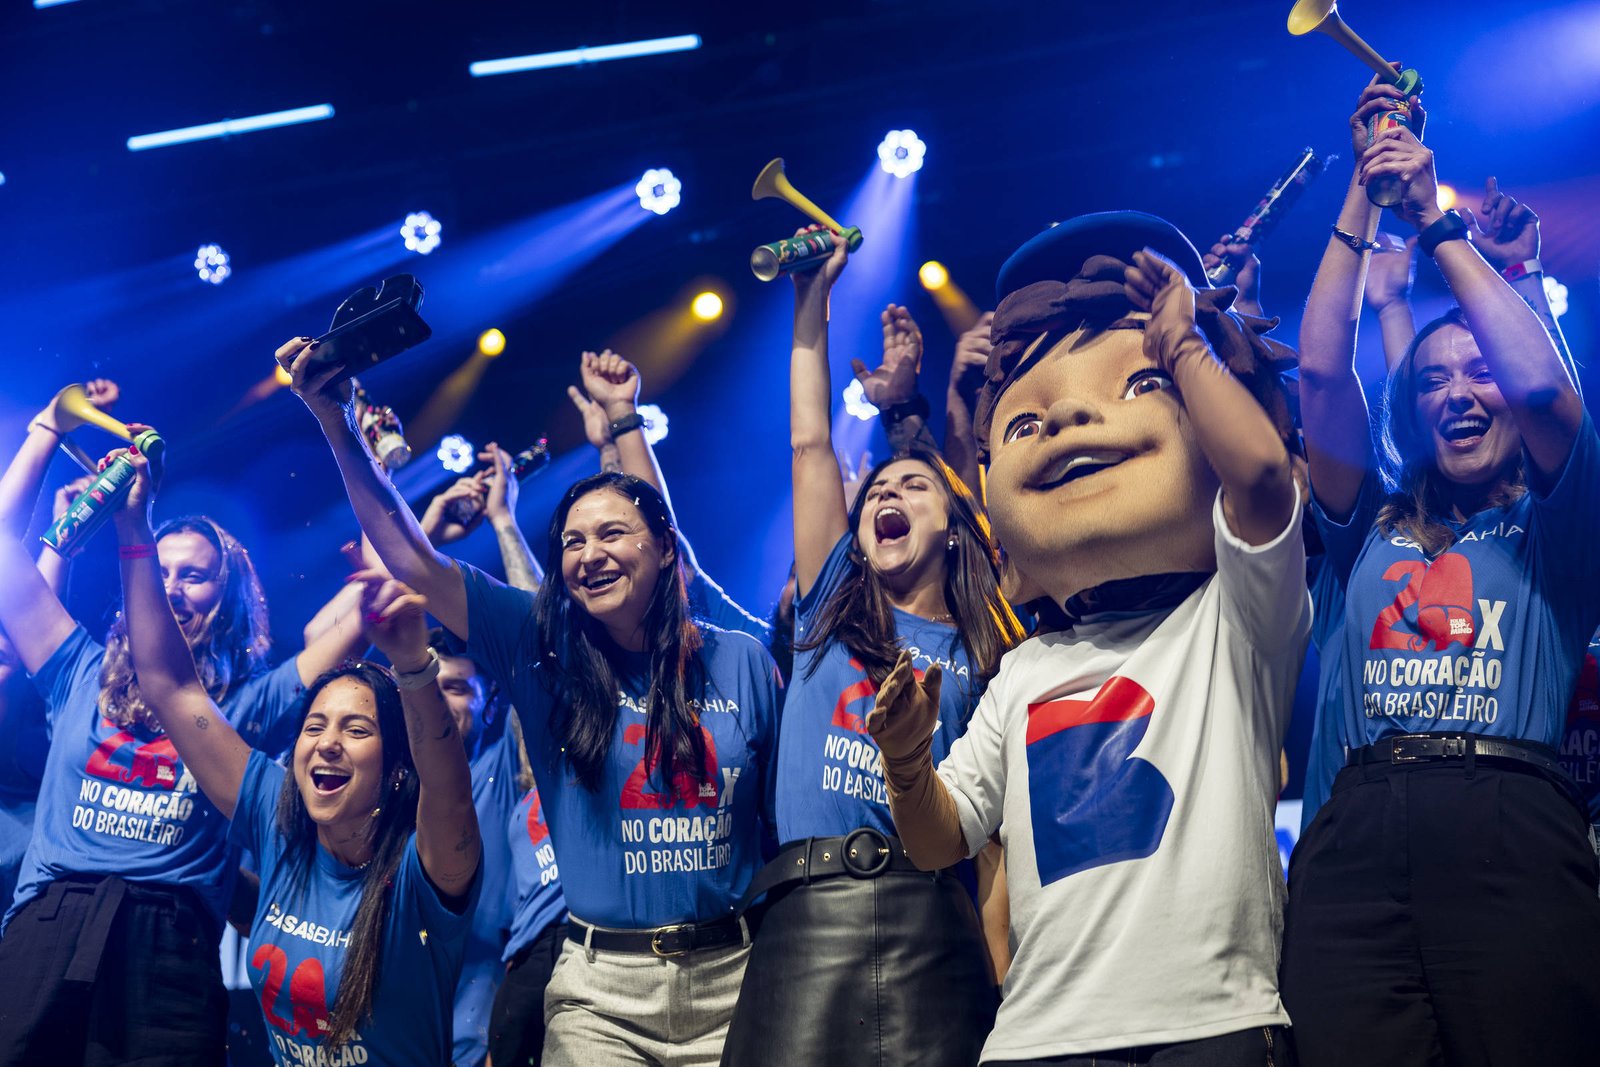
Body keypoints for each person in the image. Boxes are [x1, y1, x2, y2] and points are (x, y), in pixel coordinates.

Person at [867, 210, 1308, 1064]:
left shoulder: (1237, 613)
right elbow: (937, 837)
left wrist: (1182, 351)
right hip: (1040, 1038)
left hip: (1211, 1024)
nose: (1066, 418)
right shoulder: (1025, 671)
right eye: (1025, 423)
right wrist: (907, 756)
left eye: (1132, 388)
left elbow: (1258, 476)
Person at [276, 335, 779, 1066]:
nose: (588, 553)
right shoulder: (542, 647)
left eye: (612, 533)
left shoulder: (741, 658)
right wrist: (335, 421)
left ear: (666, 549)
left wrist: (626, 421)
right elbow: (412, 553)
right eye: (572, 541)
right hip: (601, 995)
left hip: (736, 981)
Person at [1279, 77, 1600, 1065]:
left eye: (1475, 374)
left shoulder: (1560, 525)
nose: (1458, 393)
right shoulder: (1364, 523)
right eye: (1430, 380)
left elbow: (1543, 382)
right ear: (1410, 413)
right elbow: (1323, 374)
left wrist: (1432, 217)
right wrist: (1363, 186)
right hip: (1356, 838)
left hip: (1511, 825)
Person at [720, 227, 1024, 1066]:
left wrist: (1008, 978)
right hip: (807, 916)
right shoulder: (825, 607)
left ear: (961, 530)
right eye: (878, 490)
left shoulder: (986, 647)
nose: (888, 489)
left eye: (914, 484)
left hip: (934, 918)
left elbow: (992, 837)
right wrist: (809, 299)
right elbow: (810, 442)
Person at [0, 389, 368, 1065]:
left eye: (195, 576)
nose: (171, 587)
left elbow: (365, 612)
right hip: (51, 922)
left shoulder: (248, 705)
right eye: (161, 570)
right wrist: (48, 427)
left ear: (227, 603)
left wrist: (367, 458)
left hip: (170, 948)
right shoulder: (76, 666)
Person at [111, 440, 480, 1064]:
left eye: (357, 731)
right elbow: (170, 684)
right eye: (314, 727)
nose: (327, 744)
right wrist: (132, 530)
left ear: (395, 772)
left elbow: (446, 784)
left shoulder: (427, 870)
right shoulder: (278, 820)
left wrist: (414, 665)